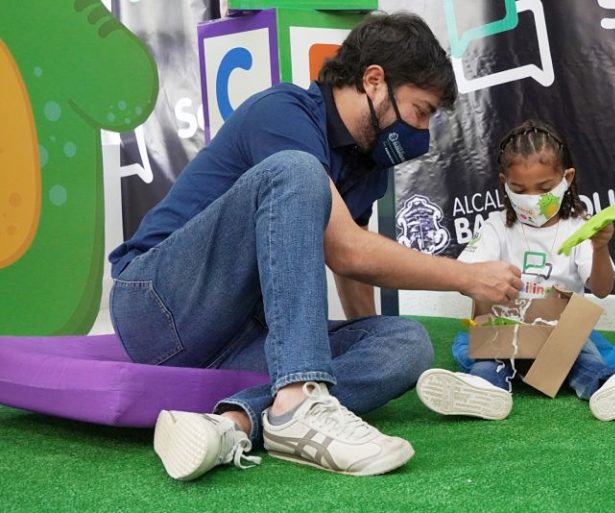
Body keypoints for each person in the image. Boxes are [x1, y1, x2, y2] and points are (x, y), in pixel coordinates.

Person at [108, 12, 523, 480]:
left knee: (406, 343)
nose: (422, 132)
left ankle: (238, 421)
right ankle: (296, 402)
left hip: (236, 337)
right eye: (420, 110)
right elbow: (346, 249)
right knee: (297, 171)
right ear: (374, 80)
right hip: (156, 307)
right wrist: (468, 276)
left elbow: (352, 269)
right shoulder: (283, 112)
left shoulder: (369, 165)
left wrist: (365, 336)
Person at [416, 120, 615, 422]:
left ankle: (606, 387)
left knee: (582, 354)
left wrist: (599, 248)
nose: (532, 198)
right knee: (489, 358)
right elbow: (464, 277)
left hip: (560, 335)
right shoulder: (496, 227)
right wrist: (487, 287)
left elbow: (602, 289)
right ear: (504, 182)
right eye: (519, 189)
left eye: (544, 188)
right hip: (506, 329)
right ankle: (484, 391)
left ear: (566, 178)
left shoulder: (580, 227)